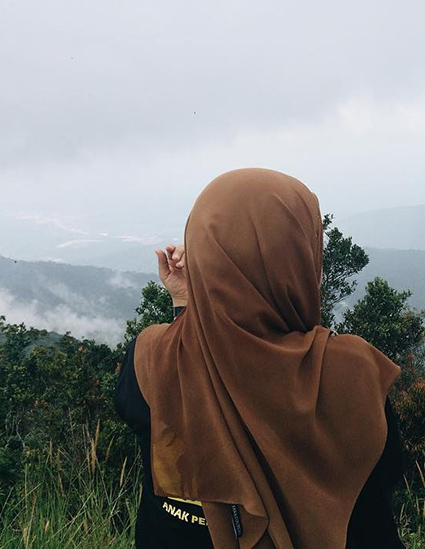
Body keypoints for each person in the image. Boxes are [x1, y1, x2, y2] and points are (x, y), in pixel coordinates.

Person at [114, 169, 406, 548]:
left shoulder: (150, 356)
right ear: (297, 261)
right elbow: (387, 471)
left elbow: (201, 369)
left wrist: (187, 306)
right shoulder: (349, 371)